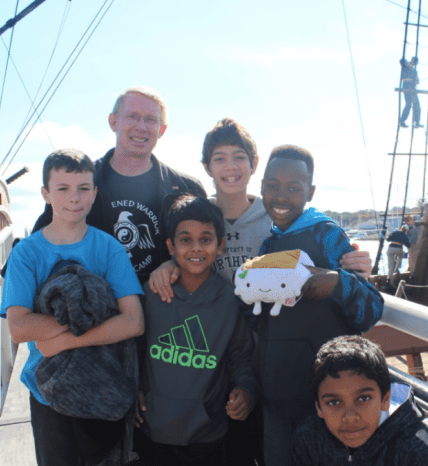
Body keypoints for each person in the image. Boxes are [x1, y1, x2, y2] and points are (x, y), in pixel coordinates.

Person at [146, 118, 372, 465]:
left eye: (239, 156)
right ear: (206, 166)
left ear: (253, 165)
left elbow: (339, 276)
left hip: (276, 364)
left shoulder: (275, 219)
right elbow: (185, 251)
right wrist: (166, 264)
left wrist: (354, 271)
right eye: (219, 158)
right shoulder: (200, 216)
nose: (230, 166)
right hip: (214, 361)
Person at [1, 149, 145, 466]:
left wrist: (62, 342)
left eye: (83, 188)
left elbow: (134, 321)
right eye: (63, 188)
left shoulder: (108, 247)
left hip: (103, 385)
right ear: (45, 194)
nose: (74, 198)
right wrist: (91, 319)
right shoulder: (26, 253)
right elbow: (20, 327)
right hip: (46, 392)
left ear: (94, 193)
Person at [256, 145, 384, 466]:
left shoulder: (327, 235)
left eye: (293, 188)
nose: (281, 196)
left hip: (326, 403)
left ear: (310, 193)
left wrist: (337, 282)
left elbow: (370, 310)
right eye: (272, 186)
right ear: (261, 188)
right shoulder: (267, 245)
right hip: (274, 396)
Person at [32, 86, 206, 284]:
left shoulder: (187, 189)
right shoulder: (77, 184)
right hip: (94, 299)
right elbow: (37, 250)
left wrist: (176, 263)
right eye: (132, 116)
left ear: (162, 130)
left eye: (150, 119)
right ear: (113, 122)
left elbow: (206, 253)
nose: (141, 126)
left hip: (165, 299)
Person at [134, 195, 258, 466]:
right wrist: (133, 388)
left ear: (220, 245)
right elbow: (133, 349)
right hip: (151, 430)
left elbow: (242, 359)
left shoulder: (230, 301)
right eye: (185, 239)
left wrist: (246, 390)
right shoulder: (152, 294)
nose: (196, 248)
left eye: (205, 239)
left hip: (207, 435)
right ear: (171, 246)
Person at [290, 335, 428, 466]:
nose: (350, 416)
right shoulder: (310, 439)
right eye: (334, 402)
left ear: (385, 399)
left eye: (363, 398)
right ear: (319, 407)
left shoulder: (419, 448)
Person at [398, 57, 422, 129]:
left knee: (417, 105)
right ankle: (402, 121)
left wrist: (415, 75)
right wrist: (410, 66)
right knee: (408, 104)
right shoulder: (406, 65)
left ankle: (417, 122)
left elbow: (417, 82)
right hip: (407, 85)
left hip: (412, 86)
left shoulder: (414, 70)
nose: (414, 64)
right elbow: (401, 60)